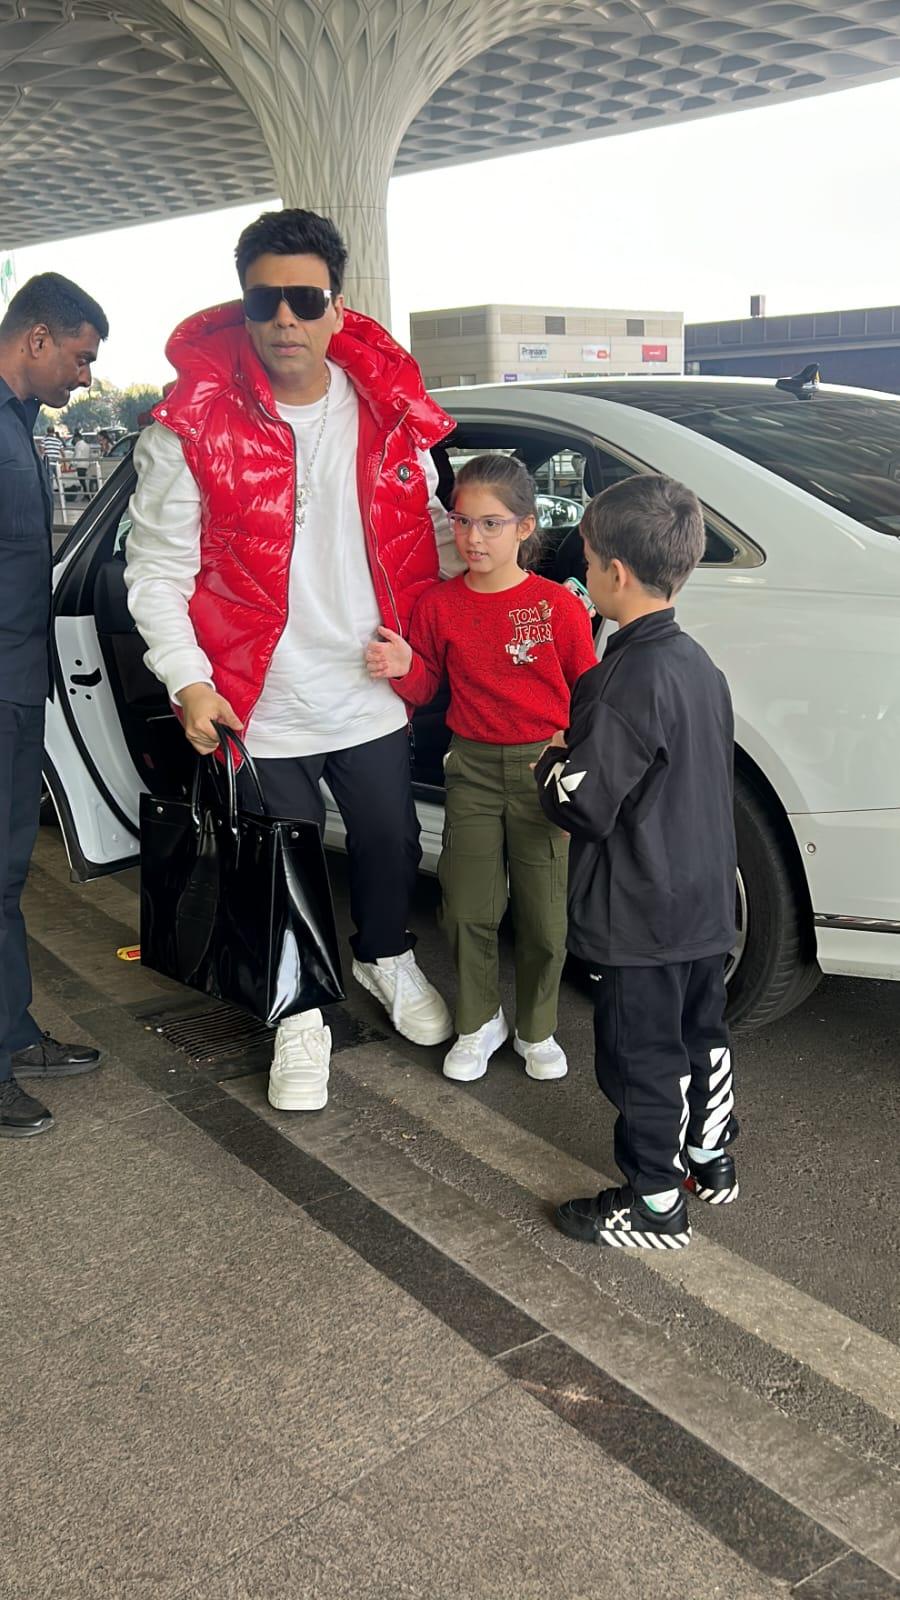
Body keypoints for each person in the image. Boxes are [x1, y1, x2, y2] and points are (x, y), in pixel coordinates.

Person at [125, 207, 457, 1114]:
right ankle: (300, 1011)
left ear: (335, 307)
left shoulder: (388, 414)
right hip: (258, 696)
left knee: (391, 842)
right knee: (283, 860)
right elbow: (156, 569)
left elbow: (428, 537)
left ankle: (385, 957)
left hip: (368, 689)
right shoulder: (190, 428)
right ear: (243, 302)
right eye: (265, 298)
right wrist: (187, 677)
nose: (284, 318)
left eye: (304, 299)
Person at [534, 475, 738, 1249]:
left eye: (584, 557)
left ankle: (654, 1204)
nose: (581, 570)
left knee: (641, 1056)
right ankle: (710, 1157)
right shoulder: (697, 665)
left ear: (614, 571)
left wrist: (550, 767)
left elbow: (584, 802)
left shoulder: (619, 677)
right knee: (701, 1033)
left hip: (641, 910)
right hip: (703, 900)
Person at [367, 454, 597, 1083]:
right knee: (466, 908)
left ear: (526, 527)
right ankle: (478, 1022)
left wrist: (577, 762)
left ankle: (537, 1028)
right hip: (468, 768)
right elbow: (428, 687)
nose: (474, 538)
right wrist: (402, 668)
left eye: (492, 524)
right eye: (464, 522)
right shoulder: (439, 606)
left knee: (545, 918)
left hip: (541, 771)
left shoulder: (556, 607)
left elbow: (590, 696)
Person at [0, 272, 108, 1139]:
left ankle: (12, 1032)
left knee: (6, 881)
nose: (85, 377)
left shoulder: (21, 427)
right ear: (37, 338)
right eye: (79, 356)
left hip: (16, 685)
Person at [71, 427, 91, 497]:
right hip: (86, 464)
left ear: (77, 438)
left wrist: (73, 464)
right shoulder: (86, 445)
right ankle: (86, 494)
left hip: (80, 464)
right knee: (83, 480)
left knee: (82, 480)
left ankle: (86, 494)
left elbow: (78, 455)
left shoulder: (78, 445)